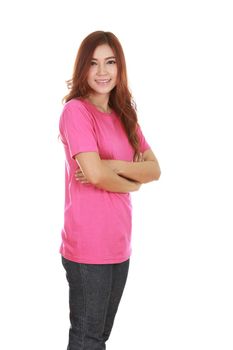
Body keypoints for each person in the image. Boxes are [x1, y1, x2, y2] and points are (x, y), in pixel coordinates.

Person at [59, 30, 161, 350]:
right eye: (93, 63)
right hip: (88, 244)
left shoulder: (124, 114)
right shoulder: (76, 111)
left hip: (120, 243)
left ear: (120, 67)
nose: (102, 72)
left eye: (110, 62)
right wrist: (131, 181)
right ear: (83, 69)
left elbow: (154, 169)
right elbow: (94, 175)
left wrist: (115, 167)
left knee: (101, 335)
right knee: (87, 337)